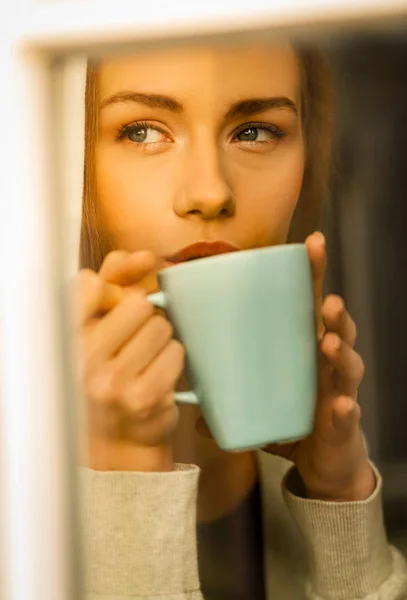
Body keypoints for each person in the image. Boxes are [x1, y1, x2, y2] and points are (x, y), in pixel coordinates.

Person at [74, 41, 407, 599]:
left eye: (255, 131)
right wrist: (124, 483)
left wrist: (342, 495)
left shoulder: (308, 460)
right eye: (142, 131)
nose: (211, 192)